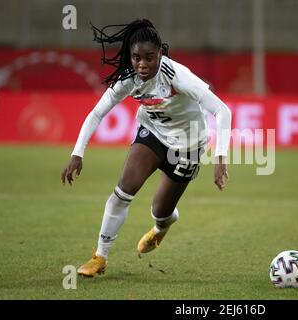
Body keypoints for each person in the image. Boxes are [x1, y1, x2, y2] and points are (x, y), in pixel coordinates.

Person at [61, 19, 232, 277]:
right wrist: (77, 153)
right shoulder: (128, 78)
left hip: (188, 146)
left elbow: (222, 110)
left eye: (149, 58)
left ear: (160, 54)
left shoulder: (177, 76)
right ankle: (100, 257)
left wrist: (221, 159)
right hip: (152, 134)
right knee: (122, 192)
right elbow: (97, 114)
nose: (142, 64)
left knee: (160, 211)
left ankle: (162, 227)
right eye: (136, 57)